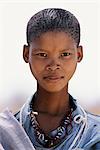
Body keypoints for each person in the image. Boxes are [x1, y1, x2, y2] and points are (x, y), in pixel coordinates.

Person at [0, 8, 100, 150]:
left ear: (79, 54)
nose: (53, 66)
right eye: (42, 54)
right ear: (26, 54)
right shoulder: (6, 133)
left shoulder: (94, 135)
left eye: (65, 54)